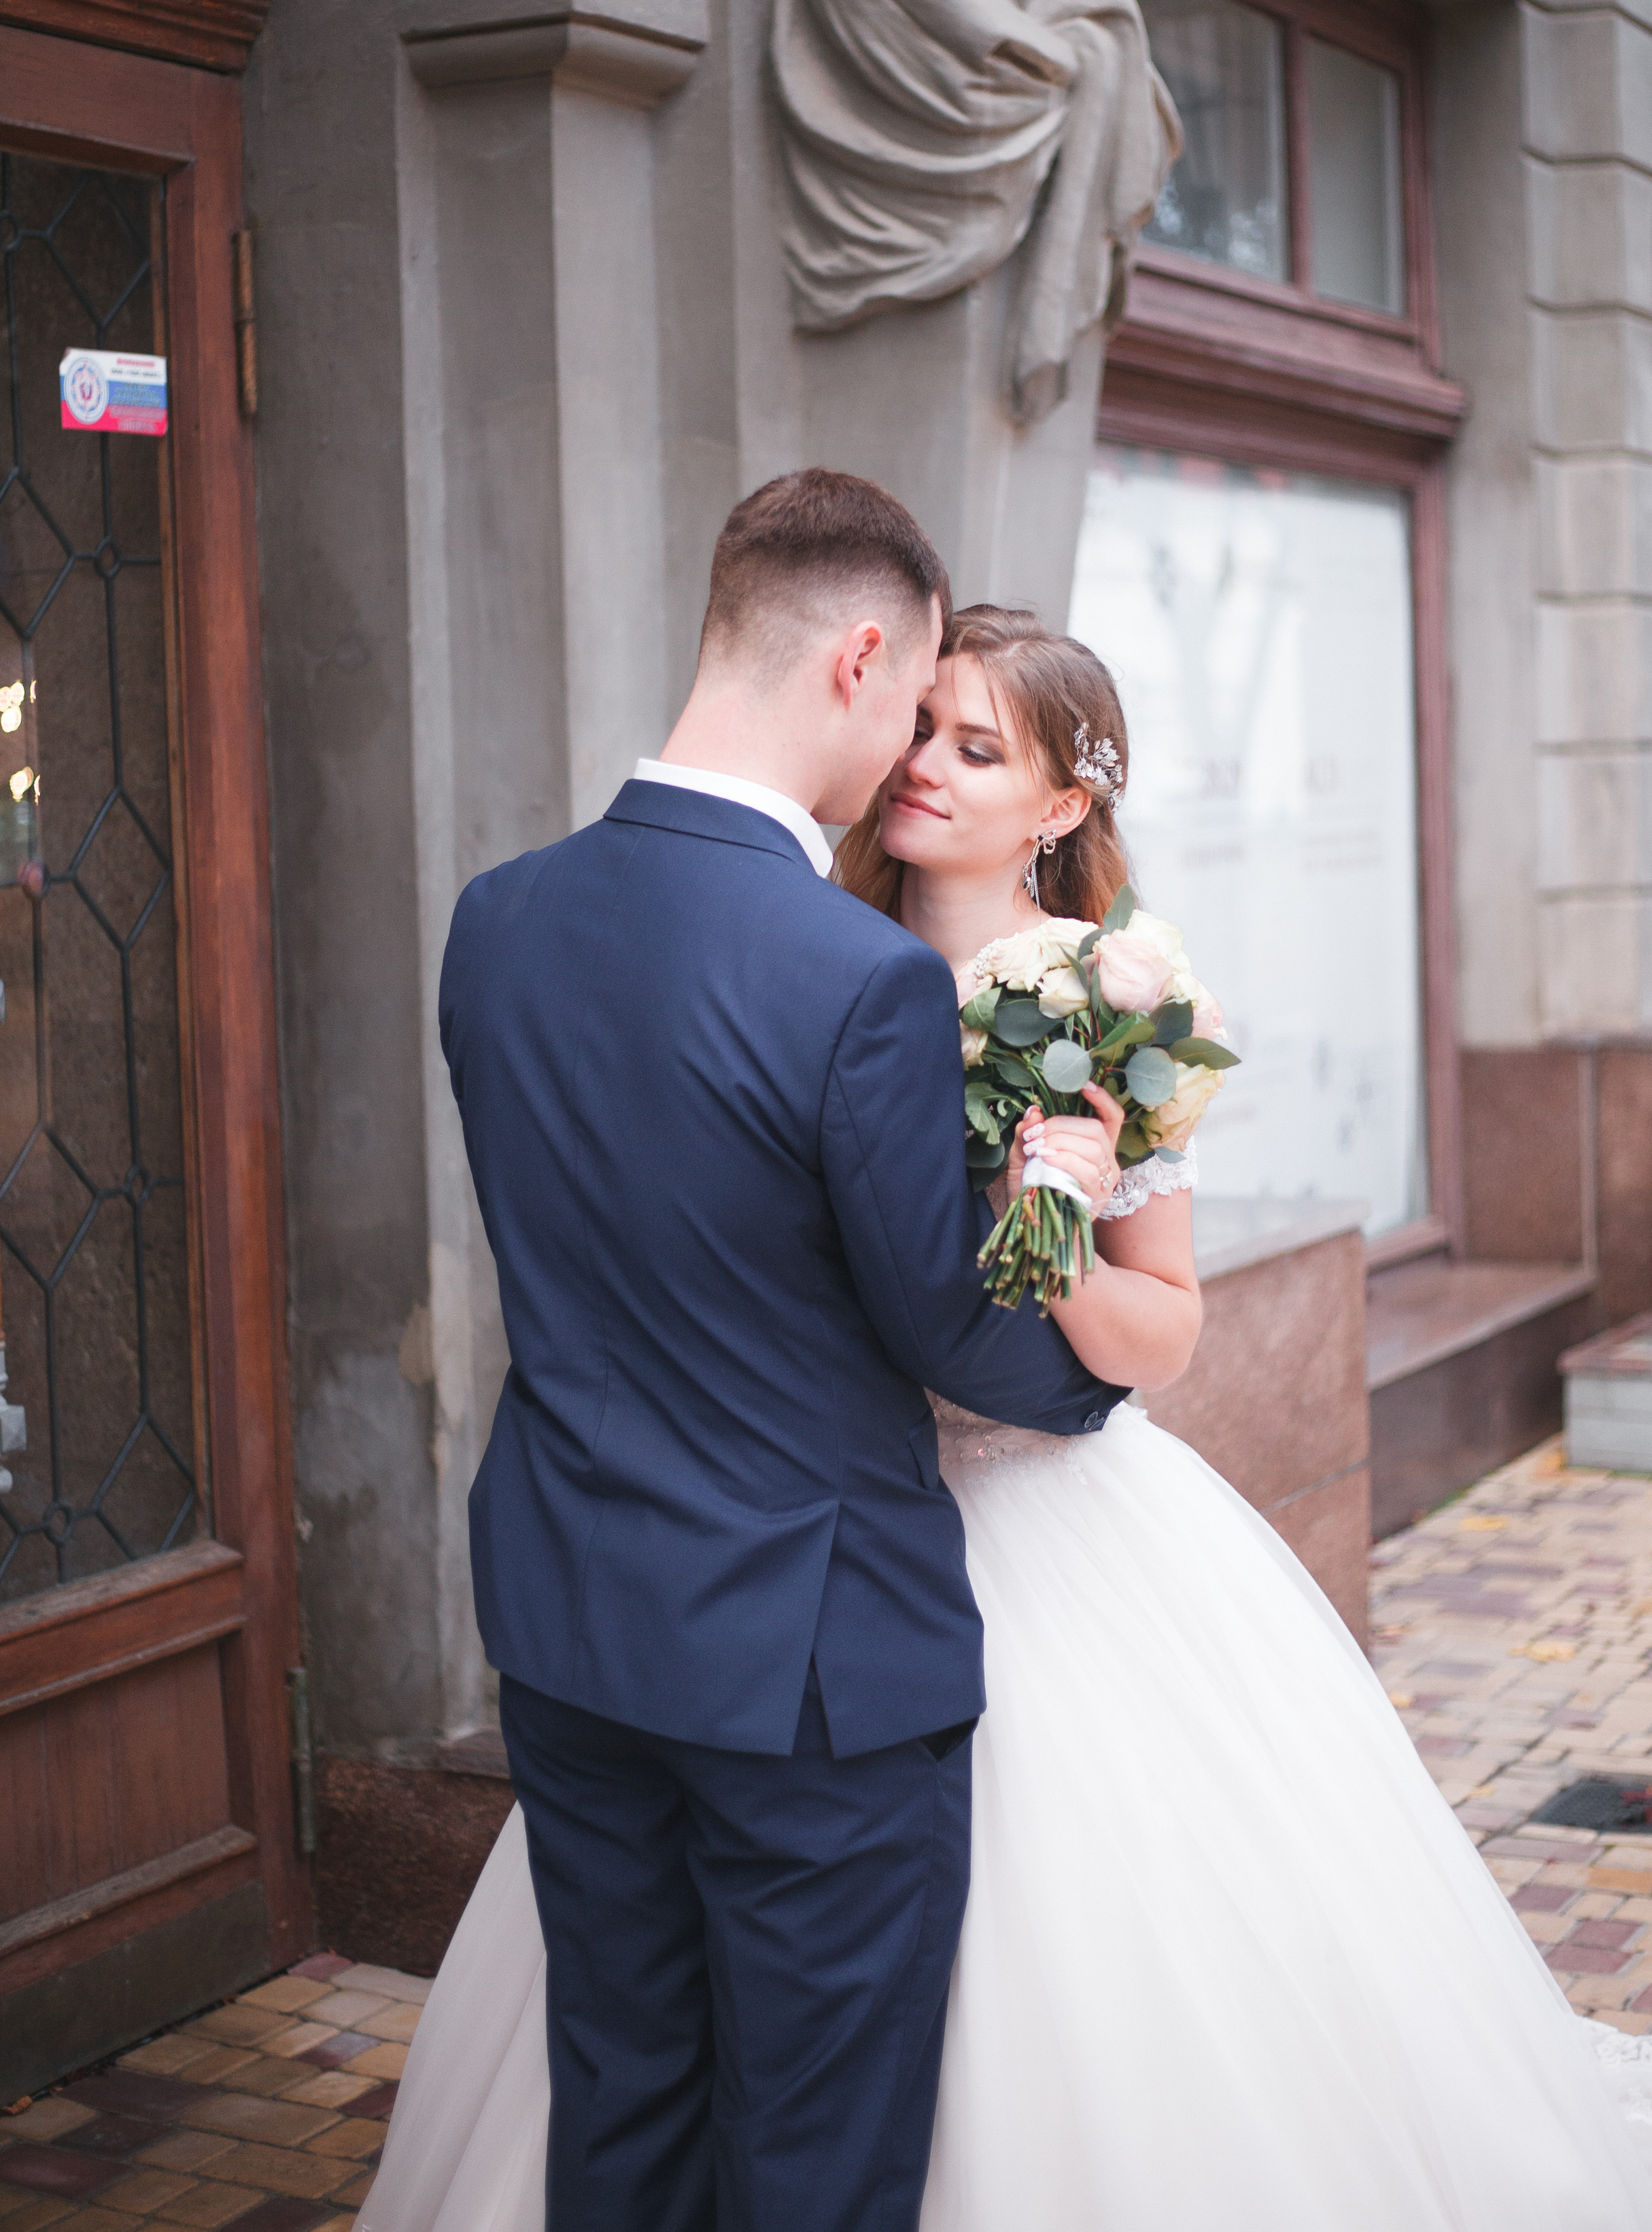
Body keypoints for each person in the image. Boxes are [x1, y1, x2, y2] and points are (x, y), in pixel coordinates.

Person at [368, 583, 1652, 2232]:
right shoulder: (806, 950)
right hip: (792, 1540)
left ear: (1061, 807)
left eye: (976, 749)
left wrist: (1057, 1226)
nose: (922, 767)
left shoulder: (1113, 1001)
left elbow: (1165, 1329)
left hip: (1027, 1523)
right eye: (920, 728)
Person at [420, 475, 1118, 2232]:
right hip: (805, 1669)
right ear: (861, 659)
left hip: (572, 1624)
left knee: (625, 2116)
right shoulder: (850, 977)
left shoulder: (497, 920)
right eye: (916, 703)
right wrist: (1097, 1379)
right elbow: (940, 1321)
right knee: (813, 2163)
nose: (907, 754)